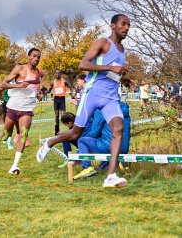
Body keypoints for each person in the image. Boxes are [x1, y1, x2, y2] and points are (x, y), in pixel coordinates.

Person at [37, 14, 132, 188]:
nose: (126, 28)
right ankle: (50, 142)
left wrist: (123, 79)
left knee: (118, 128)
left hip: (110, 98)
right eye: (123, 24)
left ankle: (110, 176)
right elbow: (83, 64)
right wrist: (111, 67)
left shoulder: (122, 50)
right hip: (92, 93)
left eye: (129, 25)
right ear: (113, 26)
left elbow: (113, 74)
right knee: (75, 134)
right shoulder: (103, 43)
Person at [0, 48, 43, 175]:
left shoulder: (39, 73)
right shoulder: (20, 69)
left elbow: (36, 89)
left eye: (38, 57)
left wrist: (39, 95)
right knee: (5, 135)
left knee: (23, 135)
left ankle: (14, 165)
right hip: (14, 106)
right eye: (34, 56)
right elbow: (3, 84)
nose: (36, 59)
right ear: (28, 56)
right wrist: (18, 85)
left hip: (27, 109)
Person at [73, 102, 131, 179]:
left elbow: (95, 133)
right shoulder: (123, 108)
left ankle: (87, 168)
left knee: (82, 141)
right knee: (101, 168)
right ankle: (119, 165)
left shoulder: (102, 109)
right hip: (124, 148)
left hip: (110, 146)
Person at [47, 69, 73, 135]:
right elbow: (49, 90)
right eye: (56, 73)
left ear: (60, 74)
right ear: (55, 74)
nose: (57, 74)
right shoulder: (53, 82)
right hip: (56, 99)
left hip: (62, 99)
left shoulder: (64, 81)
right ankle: (57, 130)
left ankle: (71, 128)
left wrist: (71, 94)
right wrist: (45, 91)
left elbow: (70, 87)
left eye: (59, 73)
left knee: (63, 116)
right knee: (56, 116)